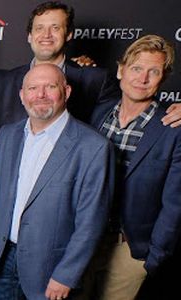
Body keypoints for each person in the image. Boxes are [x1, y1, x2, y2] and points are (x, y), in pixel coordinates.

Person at [0, 64, 114, 300]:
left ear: (66, 92)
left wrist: (66, 275)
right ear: (22, 96)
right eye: (32, 88)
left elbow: (91, 221)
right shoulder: (7, 135)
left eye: (50, 87)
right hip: (0, 260)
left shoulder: (93, 147)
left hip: (50, 268)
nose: (40, 95)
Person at [84, 35, 181, 300]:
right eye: (137, 68)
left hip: (129, 250)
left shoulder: (172, 129)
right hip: (85, 241)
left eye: (154, 71)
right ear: (121, 70)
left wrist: (153, 257)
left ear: (164, 78)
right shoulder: (98, 114)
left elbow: (175, 203)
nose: (143, 78)